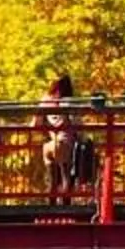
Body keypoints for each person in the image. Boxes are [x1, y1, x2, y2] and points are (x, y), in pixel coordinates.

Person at [40, 71, 83, 201]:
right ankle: (66, 207)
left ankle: (50, 208)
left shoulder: (45, 101)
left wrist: (48, 131)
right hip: (64, 142)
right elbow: (77, 123)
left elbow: (35, 124)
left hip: (49, 145)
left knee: (52, 180)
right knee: (67, 178)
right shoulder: (68, 102)